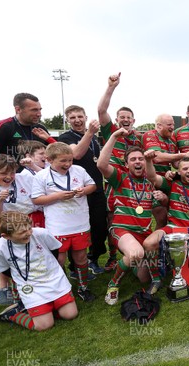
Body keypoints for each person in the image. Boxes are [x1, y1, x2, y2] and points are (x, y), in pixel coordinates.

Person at [98, 128, 162, 305]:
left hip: (143, 233)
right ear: (127, 164)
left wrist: (162, 198)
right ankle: (113, 284)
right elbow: (102, 165)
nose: (138, 162)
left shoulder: (149, 185)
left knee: (143, 278)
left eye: (141, 158)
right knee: (136, 252)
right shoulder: (120, 178)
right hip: (122, 229)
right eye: (133, 159)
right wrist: (112, 137)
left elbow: (159, 210)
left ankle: (128, 263)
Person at [0, 211, 78, 331]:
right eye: (22, 232)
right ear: (6, 236)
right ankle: (13, 314)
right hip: (31, 287)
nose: (29, 233)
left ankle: (46, 311)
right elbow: (4, 270)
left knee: (70, 314)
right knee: (44, 326)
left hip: (54, 280)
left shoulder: (42, 233)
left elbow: (55, 251)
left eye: (29, 228)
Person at [31, 142, 97, 302]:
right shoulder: (41, 176)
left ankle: (83, 287)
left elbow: (93, 185)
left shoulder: (79, 170)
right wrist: (58, 196)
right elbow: (36, 199)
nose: (67, 164)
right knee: (59, 259)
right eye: (63, 161)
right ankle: (61, 289)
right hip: (57, 227)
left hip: (80, 223)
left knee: (81, 258)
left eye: (70, 160)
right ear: (49, 160)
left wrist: (84, 190)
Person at [142, 155, 189, 289]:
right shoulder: (172, 183)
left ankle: (176, 271)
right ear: (179, 172)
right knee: (148, 243)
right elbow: (152, 177)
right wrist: (148, 160)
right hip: (172, 227)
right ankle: (156, 279)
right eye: (185, 169)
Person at [0, 154, 40, 305]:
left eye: (12, 172)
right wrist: (0, 200)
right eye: (3, 174)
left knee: (31, 253)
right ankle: (5, 288)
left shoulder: (23, 178)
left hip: (30, 220)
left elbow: (46, 179)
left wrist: (32, 166)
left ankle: (35, 284)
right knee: (9, 254)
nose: (9, 177)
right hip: (7, 223)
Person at [98, 72, 143, 272]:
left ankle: (134, 249)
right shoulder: (111, 131)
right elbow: (101, 109)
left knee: (134, 217)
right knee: (112, 219)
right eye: (121, 117)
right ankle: (113, 256)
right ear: (117, 119)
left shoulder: (138, 139)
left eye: (128, 118)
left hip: (135, 186)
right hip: (114, 184)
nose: (125, 120)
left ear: (134, 120)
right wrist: (111, 87)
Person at [58, 106, 108, 275]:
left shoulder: (94, 137)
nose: (77, 120)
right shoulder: (66, 137)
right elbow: (76, 154)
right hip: (78, 191)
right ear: (67, 120)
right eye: (72, 117)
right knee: (79, 229)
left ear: (86, 117)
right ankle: (75, 266)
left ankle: (92, 259)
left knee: (100, 227)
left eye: (80, 116)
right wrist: (89, 134)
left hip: (97, 187)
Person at [0, 93, 54, 184]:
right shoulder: (3, 127)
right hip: (10, 183)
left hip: (38, 183)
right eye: (34, 110)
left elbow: (55, 155)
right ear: (18, 109)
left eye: (40, 110)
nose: (39, 114)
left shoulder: (40, 129)